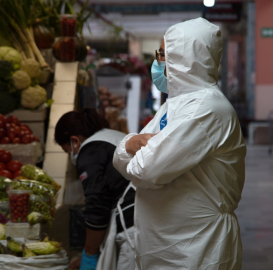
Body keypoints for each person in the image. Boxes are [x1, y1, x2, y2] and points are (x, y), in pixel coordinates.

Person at [113, 18, 246, 270]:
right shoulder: (172, 107)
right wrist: (131, 143)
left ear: (185, 58)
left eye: (163, 54)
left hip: (197, 249)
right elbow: (120, 159)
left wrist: (132, 147)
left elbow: (145, 171)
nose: (158, 62)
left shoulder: (206, 109)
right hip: (167, 247)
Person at [54, 108, 136, 270]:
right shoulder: (112, 137)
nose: (70, 155)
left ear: (75, 142)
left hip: (133, 224)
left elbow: (97, 206)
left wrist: (90, 253)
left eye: (67, 151)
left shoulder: (89, 150)